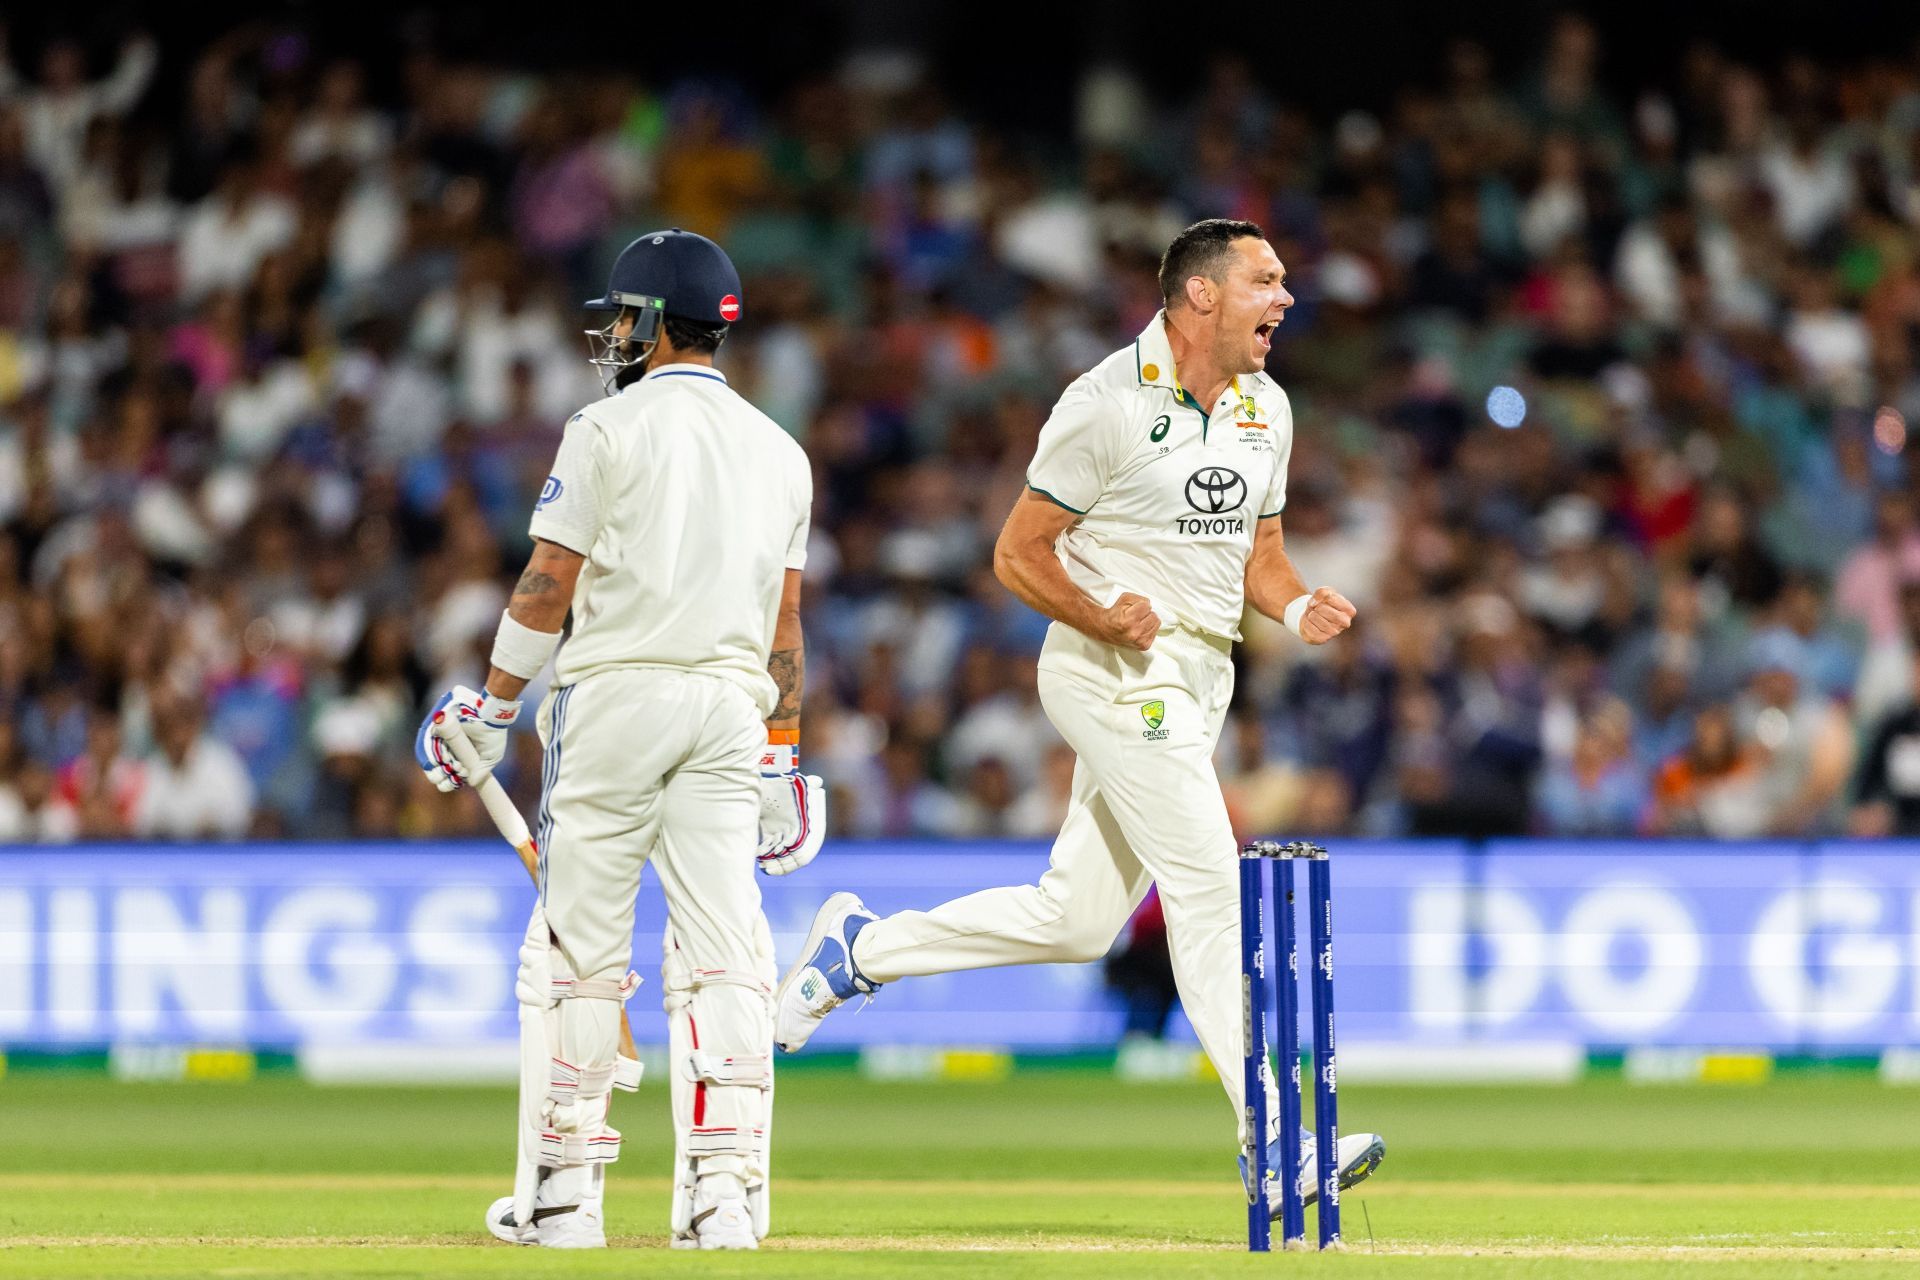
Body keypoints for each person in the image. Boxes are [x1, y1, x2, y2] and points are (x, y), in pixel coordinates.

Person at [772, 219, 1385, 1218]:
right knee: (1208, 882)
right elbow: (1017, 552)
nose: (1285, 298)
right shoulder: (1103, 403)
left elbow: (1259, 555)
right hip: (1110, 667)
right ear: (1200, 296)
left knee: (1077, 919)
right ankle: (1279, 1142)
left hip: (1199, 676)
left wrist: (1296, 604)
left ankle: (860, 951)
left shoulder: (1267, 407)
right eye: (1265, 281)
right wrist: (1103, 612)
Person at [415, 230, 823, 1251]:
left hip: (617, 700)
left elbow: (548, 580)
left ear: (649, 322)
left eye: (622, 318)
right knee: (728, 952)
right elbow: (786, 631)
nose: (613, 336)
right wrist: (781, 750)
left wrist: (494, 703)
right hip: (731, 712)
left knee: (577, 955)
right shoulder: (782, 451)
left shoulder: (603, 427)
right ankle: (722, 1199)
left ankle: (564, 1200)